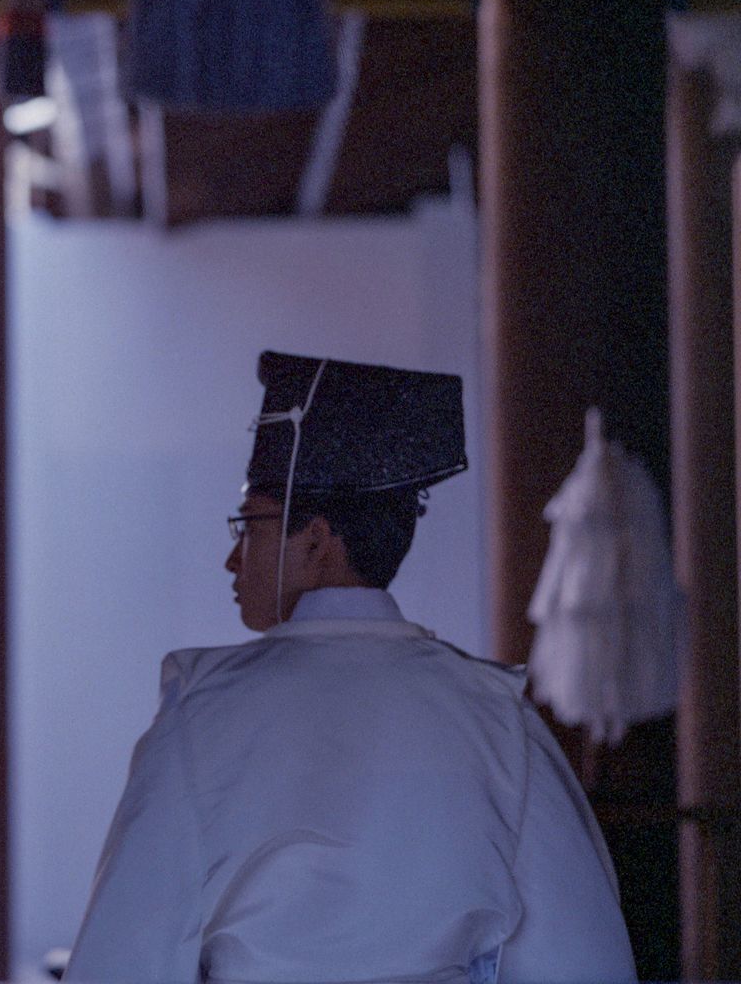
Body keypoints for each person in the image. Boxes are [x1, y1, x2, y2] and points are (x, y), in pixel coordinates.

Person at [64, 352, 636, 984]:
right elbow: (583, 960)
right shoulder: (498, 718)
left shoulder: (202, 714)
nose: (233, 559)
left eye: (248, 525)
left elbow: (121, 961)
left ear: (316, 540)